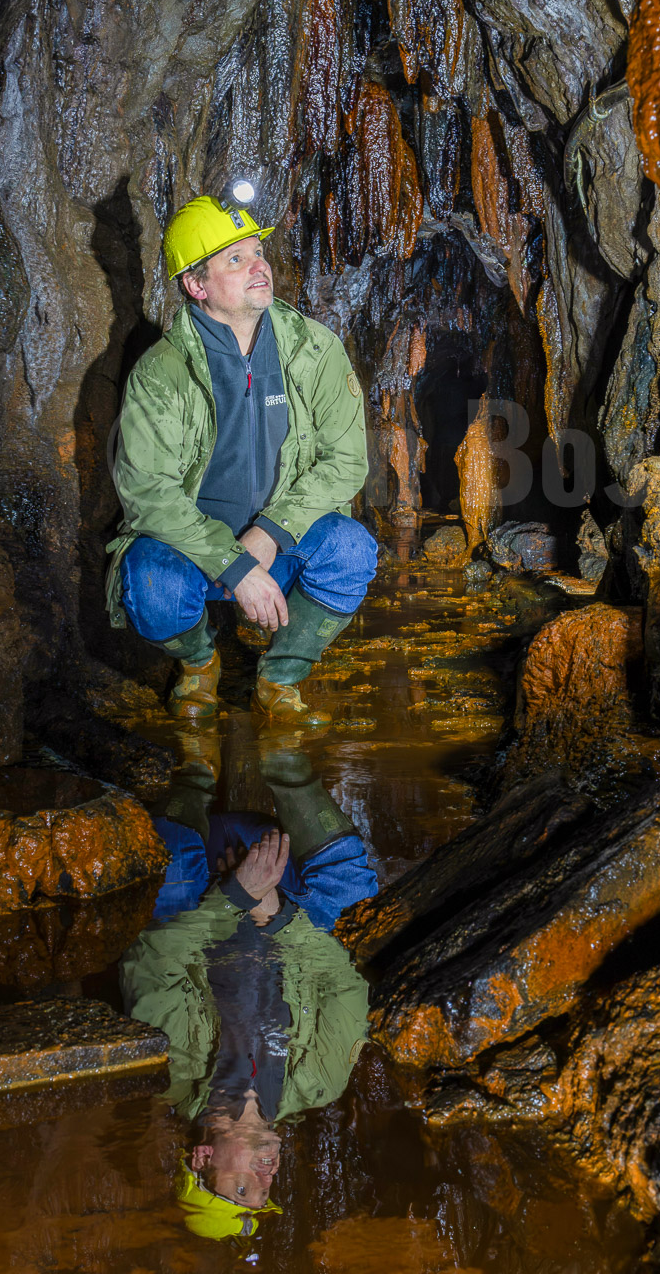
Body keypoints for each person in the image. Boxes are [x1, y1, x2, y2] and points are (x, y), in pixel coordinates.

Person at [104, 191, 378, 722]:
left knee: (350, 551)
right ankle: (198, 663)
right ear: (196, 285)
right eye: (236, 259)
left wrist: (270, 534)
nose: (259, 266)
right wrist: (232, 563)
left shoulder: (315, 350)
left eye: (258, 252)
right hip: (193, 550)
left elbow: (345, 463)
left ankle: (279, 681)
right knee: (151, 584)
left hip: (283, 543)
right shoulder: (162, 373)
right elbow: (147, 493)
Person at [124, 756, 377, 1241]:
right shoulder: (321, 1083)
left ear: (202, 1158)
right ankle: (288, 760)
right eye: (267, 1189)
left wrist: (235, 897)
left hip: (201, 881)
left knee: (167, 886)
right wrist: (275, 915)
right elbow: (345, 984)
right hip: (288, 892)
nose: (268, 1176)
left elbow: (154, 959)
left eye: (243, 1186)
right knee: (355, 898)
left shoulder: (167, 1074)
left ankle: (194, 767)